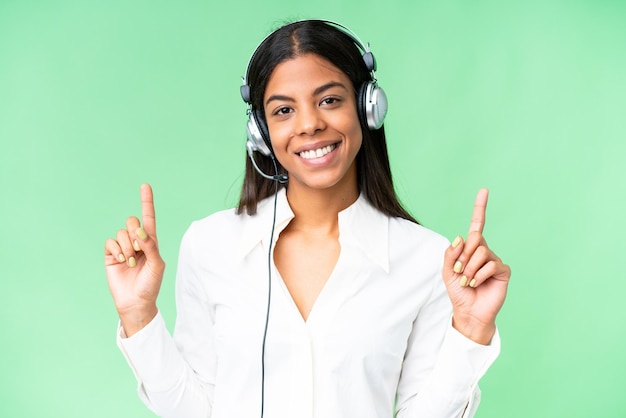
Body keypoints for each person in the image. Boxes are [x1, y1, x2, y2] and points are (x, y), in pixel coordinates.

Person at [104, 19, 511, 418]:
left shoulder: (425, 259)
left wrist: (471, 330)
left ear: (367, 106)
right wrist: (138, 315)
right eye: (283, 110)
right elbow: (195, 411)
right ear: (260, 131)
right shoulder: (210, 244)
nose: (309, 124)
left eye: (329, 100)